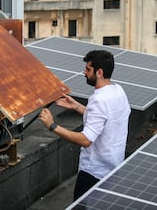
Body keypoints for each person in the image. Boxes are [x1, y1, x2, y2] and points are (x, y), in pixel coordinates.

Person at [38, 50, 131, 200]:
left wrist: (52, 126)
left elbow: (86, 140)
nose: (84, 72)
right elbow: (104, 119)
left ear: (99, 72)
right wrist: (76, 106)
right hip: (113, 168)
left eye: (88, 69)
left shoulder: (99, 100)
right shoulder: (118, 91)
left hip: (93, 173)